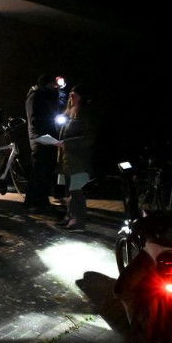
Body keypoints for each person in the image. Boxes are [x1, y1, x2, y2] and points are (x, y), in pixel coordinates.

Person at [55, 85, 96, 233]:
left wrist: (67, 143)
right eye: (71, 94)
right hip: (66, 159)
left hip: (78, 160)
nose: (71, 97)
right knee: (69, 191)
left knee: (77, 191)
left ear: (81, 97)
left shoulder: (85, 114)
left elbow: (88, 138)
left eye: (75, 95)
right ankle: (70, 217)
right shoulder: (68, 113)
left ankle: (78, 222)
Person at [24, 74, 60, 211]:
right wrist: (41, 136)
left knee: (45, 170)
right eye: (53, 85)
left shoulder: (45, 95)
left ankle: (40, 200)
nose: (55, 87)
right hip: (40, 138)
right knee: (39, 170)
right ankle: (35, 201)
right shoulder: (35, 95)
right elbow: (34, 119)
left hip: (46, 137)